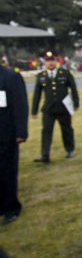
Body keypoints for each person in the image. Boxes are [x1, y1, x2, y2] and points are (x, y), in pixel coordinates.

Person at [31, 51, 79, 163]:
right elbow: (37, 94)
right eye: (48, 61)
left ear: (56, 61)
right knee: (46, 131)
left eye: (52, 60)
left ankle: (70, 149)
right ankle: (45, 155)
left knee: (66, 130)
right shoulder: (41, 76)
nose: (50, 63)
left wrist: (76, 103)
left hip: (63, 108)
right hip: (48, 109)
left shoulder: (65, 73)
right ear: (44, 63)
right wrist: (34, 111)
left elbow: (73, 88)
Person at [0, 67, 29, 226]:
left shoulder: (10, 77)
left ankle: (11, 208)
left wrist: (21, 132)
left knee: (7, 172)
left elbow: (20, 104)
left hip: (6, 135)